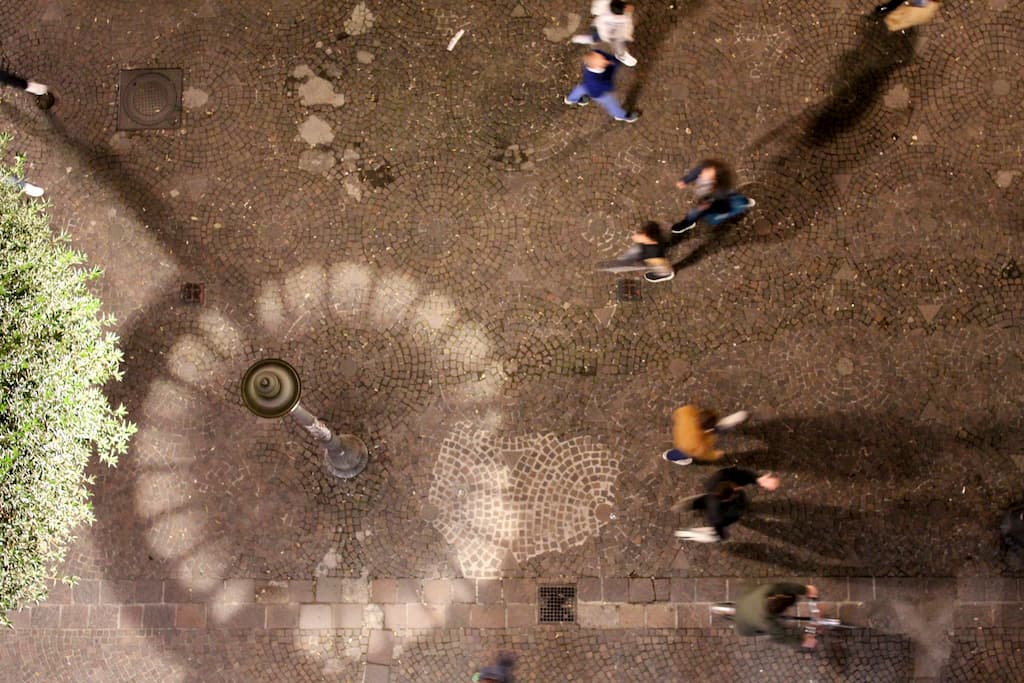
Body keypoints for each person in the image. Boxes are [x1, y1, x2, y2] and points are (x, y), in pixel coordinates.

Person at [674, 466, 779, 542]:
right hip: (729, 510)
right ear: (728, 499)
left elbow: (739, 473)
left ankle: (690, 505)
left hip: (714, 501)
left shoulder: (720, 477)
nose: (739, 487)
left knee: (702, 501)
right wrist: (721, 535)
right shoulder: (718, 512)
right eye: (736, 490)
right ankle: (690, 510)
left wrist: (758, 479)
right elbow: (719, 523)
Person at [671, 160, 754, 235]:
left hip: (713, 200)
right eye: (706, 171)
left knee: (694, 213)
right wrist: (686, 180)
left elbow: (716, 200)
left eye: (709, 174)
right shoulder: (704, 169)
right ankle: (744, 201)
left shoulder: (720, 190)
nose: (703, 174)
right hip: (710, 196)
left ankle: (687, 224)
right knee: (732, 197)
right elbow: (696, 172)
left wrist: (706, 204)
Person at [734, 582, 819, 649]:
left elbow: (785, 587)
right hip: (744, 626)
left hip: (745, 600)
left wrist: (805, 590)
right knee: (769, 631)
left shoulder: (768, 589)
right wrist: (802, 641)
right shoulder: (768, 624)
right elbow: (781, 638)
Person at [564, 50, 639, 123]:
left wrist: (614, 60)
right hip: (599, 93)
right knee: (611, 104)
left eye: (602, 58)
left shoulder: (595, 59)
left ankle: (570, 99)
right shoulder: (596, 80)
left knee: (580, 89)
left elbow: (604, 56)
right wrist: (614, 63)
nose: (605, 60)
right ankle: (621, 116)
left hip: (587, 84)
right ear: (596, 67)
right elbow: (607, 85)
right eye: (602, 62)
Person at [661, 405, 749, 465]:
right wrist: (714, 455)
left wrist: (714, 455)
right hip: (688, 446)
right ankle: (669, 456)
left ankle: (669, 455)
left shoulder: (687, 416)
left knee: (683, 453)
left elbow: (680, 412)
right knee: (684, 453)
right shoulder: (697, 444)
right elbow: (704, 453)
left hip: (684, 438)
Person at [595, 221, 673, 282]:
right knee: (630, 258)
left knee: (635, 264)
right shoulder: (650, 244)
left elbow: (655, 261)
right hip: (645, 251)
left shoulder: (653, 254)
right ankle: (616, 265)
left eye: (642, 234)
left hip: (649, 258)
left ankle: (665, 274)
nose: (637, 235)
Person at [571, 0, 638, 67]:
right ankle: (621, 56)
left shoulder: (606, 8)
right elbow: (618, 33)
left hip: (600, 28)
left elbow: (596, 10)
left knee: (595, 38)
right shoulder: (620, 20)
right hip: (604, 32)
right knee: (612, 42)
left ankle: (583, 39)